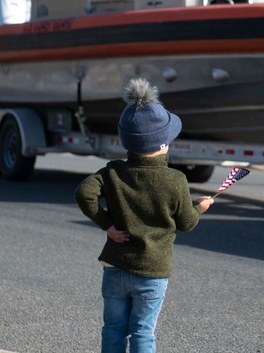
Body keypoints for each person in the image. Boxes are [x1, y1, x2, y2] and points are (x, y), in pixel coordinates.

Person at [75, 78, 214, 353]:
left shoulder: (113, 171)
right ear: (163, 143)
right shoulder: (175, 180)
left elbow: (84, 193)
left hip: (115, 267)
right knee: (142, 333)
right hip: (152, 272)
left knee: (113, 329)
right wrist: (200, 207)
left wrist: (107, 225)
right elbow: (186, 223)